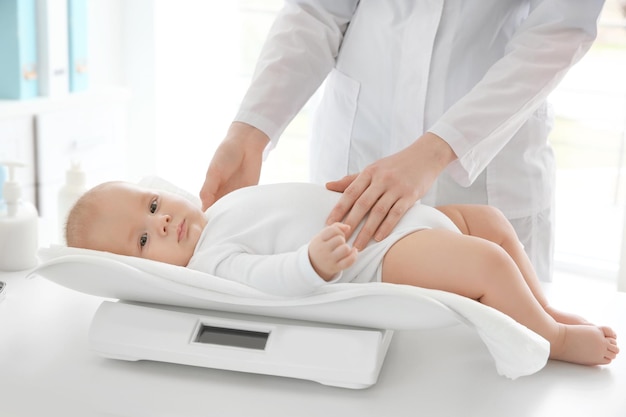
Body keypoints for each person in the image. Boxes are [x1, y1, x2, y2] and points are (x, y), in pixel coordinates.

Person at [199, 0, 606, 283]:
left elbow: (560, 28)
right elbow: (316, 9)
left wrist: (439, 147)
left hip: (485, 165)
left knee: (493, 364)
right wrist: (250, 131)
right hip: (358, 154)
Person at [66, 180, 619, 367]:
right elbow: (264, 276)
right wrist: (311, 263)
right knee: (488, 263)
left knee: (492, 223)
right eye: (142, 238)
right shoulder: (211, 261)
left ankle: (541, 310)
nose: (161, 222)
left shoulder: (220, 212)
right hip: (380, 253)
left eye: (154, 203)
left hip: (394, 217)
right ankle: (555, 341)